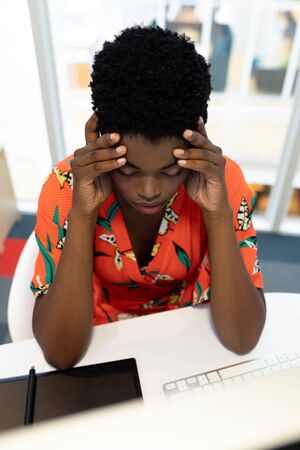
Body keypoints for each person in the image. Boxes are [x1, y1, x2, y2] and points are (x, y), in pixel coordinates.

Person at [30, 25, 266, 369]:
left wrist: (216, 214)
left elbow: (243, 339)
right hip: (99, 340)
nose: (149, 190)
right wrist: (83, 212)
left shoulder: (221, 180)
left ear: (197, 140)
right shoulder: (68, 185)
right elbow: (61, 354)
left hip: (190, 336)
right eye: (128, 170)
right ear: (102, 137)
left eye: (171, 170)